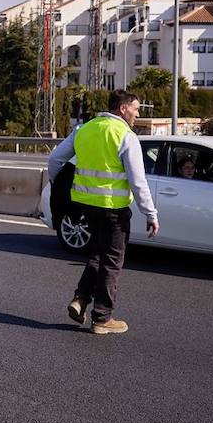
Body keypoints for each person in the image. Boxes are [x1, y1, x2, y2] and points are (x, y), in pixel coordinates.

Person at [45, 89, 159, 335]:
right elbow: (138, 181)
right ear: (122, 109)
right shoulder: (125, 136)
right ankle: (102, 318)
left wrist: (59, 185)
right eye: (136, 109)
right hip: (114, 209)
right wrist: (150, 213)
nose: (137, 114)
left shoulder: (84, 129)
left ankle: (81, 298)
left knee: (98, 254)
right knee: (112, 261)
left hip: (86, 205)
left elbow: (54, 160)